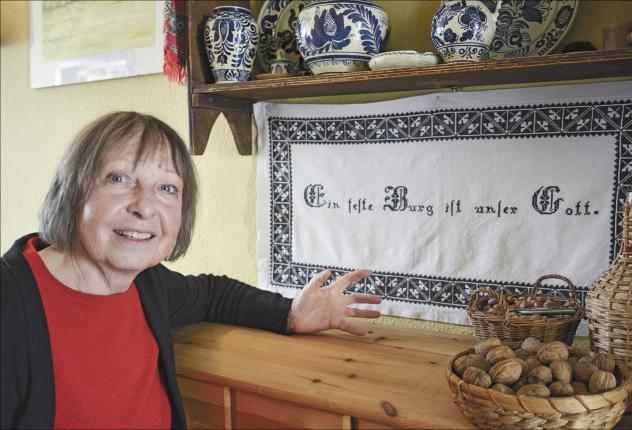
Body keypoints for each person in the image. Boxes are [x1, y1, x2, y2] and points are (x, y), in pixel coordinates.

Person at [0, 111, 382, 429]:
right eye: (118, 179)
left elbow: (215, 293)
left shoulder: (148, 284)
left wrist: (291, 313)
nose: (145, 207)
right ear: (72, 192)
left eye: (167, 188)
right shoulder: (11, 302)